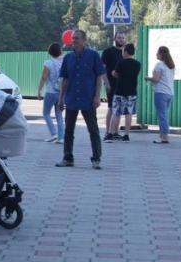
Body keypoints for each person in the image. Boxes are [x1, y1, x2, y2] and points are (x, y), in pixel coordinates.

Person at [55, 29, 106, 170]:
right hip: (71, 97)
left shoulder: (93, 55)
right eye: (73, 38)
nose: (74, 40)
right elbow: (65, 78)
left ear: (84, 40)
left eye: (77, 38)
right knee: (68, 130)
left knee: (93, 130)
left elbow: (98, 76)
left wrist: (97, 96)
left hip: (87, 98)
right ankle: (67, 157)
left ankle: (96, 159)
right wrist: (61, 98)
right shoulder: (68, 58)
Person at [106, 43, 141, 143]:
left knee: (116, 113)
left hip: (120, 91)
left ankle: (110, 134)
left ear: (125, 52)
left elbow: (116, 74)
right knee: (128, 113)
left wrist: (113, 73)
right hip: (132, 91)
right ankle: (126, 135)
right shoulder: (137, 64)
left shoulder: (120, 63)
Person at [145, 46, 176, 144]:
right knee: (164, 113)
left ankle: (165, 136)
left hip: (160, 92)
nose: (156, 54)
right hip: (170, 92)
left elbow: (156, 79)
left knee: (162, 115)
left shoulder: (159, 65)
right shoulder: (171, 66)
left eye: (157, 53)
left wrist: (147, 78)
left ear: (161, 54)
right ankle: (162, 134)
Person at [37, 42, 65, 143]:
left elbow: (44, 77)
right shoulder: (63, 61)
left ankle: (53, 133)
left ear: (50, 52)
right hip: (61, 92)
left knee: (46, 113)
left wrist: (39, 90)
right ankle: (61, 137)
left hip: (50, 92)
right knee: (59, 115)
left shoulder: (48, 63)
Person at [101, 31, 127, 142]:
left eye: (123, 38)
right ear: (114, 38)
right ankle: (108, 131)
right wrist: (106, 83)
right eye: (119, 37)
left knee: (119, 109)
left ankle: (115, 132)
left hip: (122, 85)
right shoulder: (108, 51)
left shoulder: (125, 53)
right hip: (111, 84)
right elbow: (102, 69)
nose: (121, 39)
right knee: (111, 108)